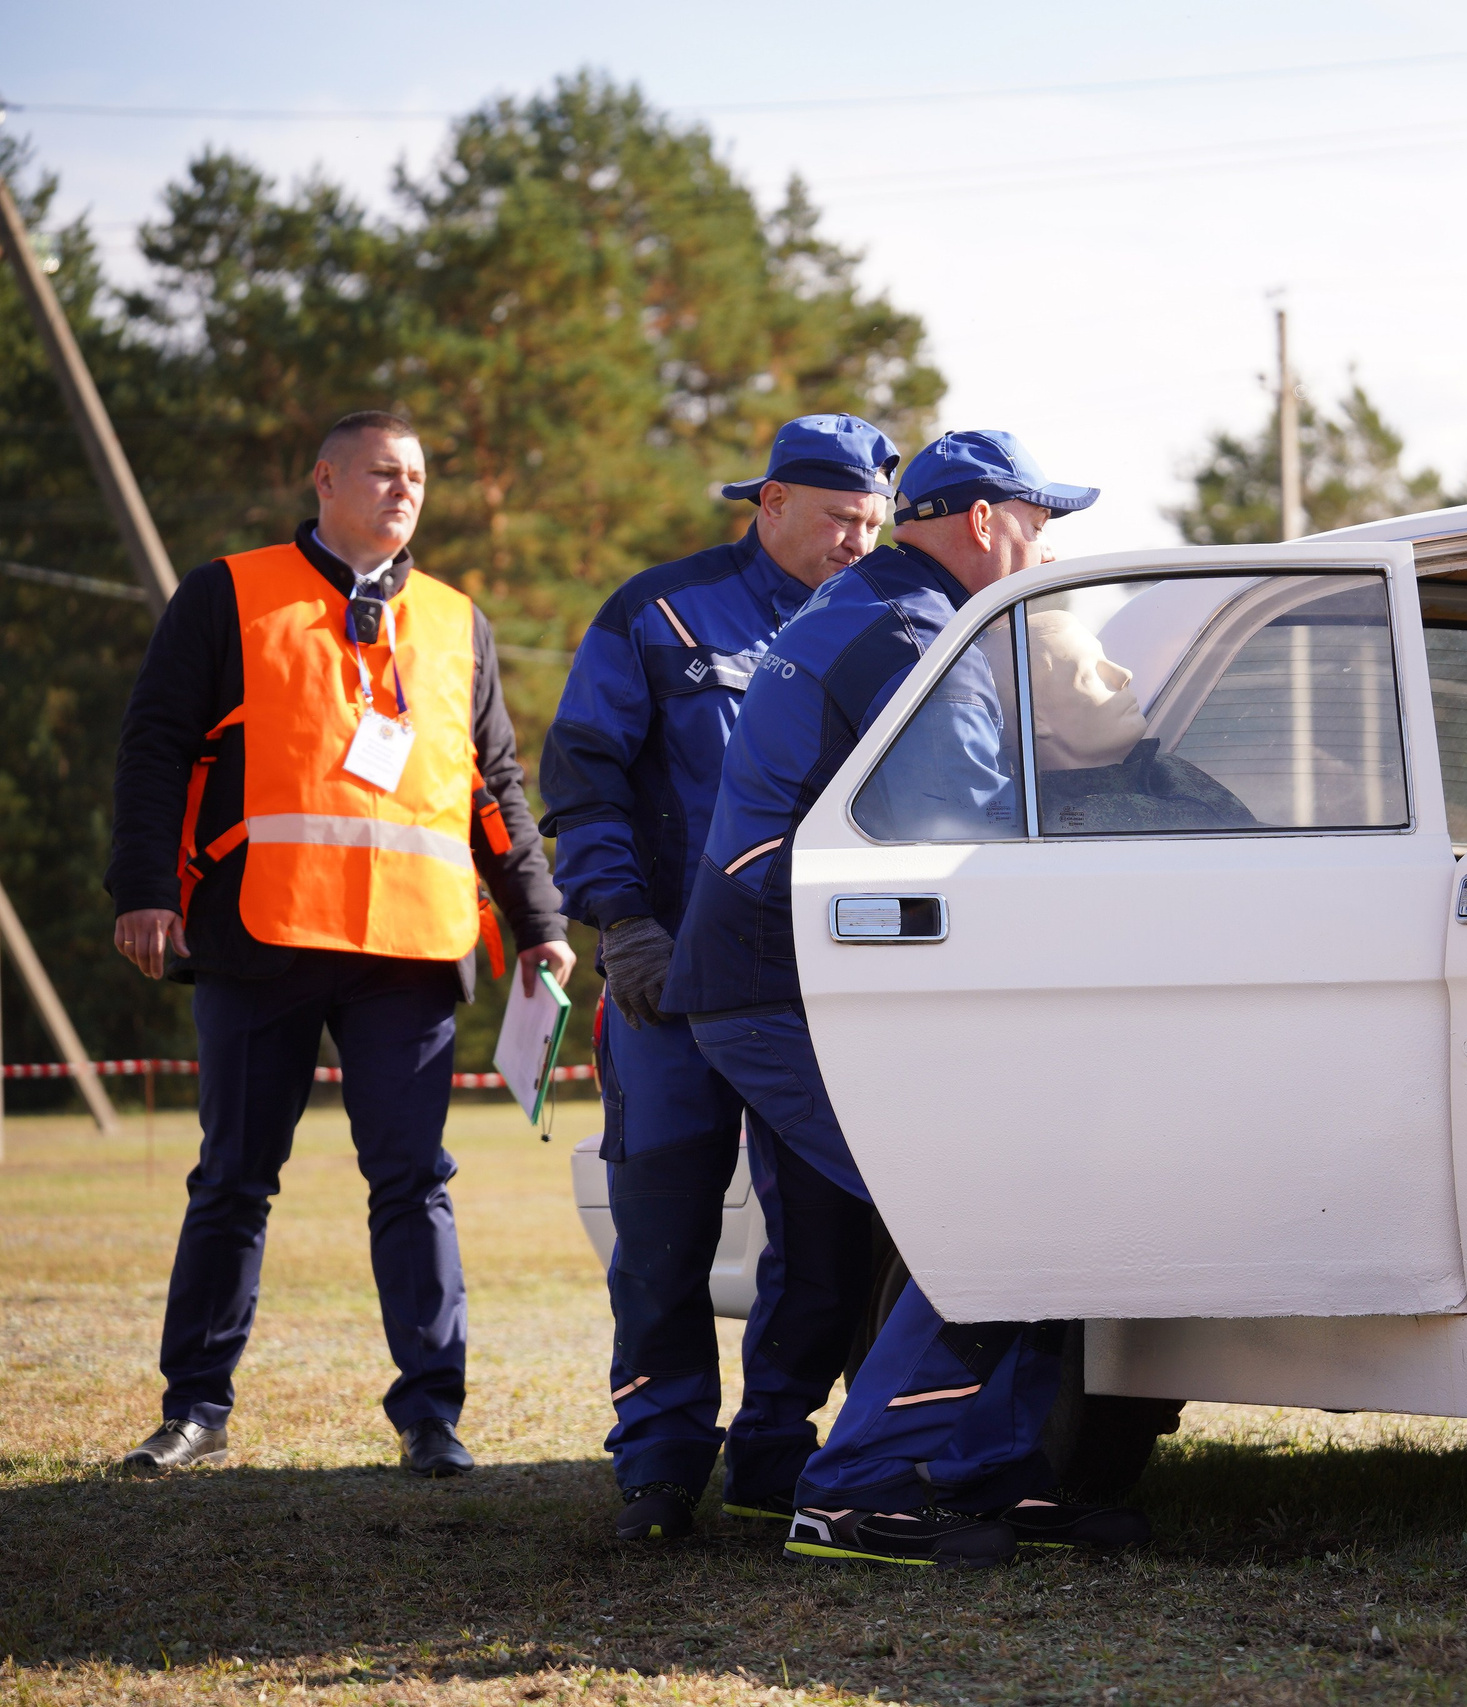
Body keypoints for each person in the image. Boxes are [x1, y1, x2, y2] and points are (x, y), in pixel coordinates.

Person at [661, 429, 1148, 1567]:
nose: (1045, 551)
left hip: (783, 976)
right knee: (986, 1211)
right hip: (784, 986)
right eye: (1038, 527)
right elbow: (968, 838)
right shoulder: (910, 634)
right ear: (984, 521)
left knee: (1009, 1205)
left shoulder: (885, 608)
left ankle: (993, 1476)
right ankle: (855, 1491)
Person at [106, 410, 574, 1478]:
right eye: (380, 471)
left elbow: (493, 790)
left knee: (414, 1181)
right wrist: (142, 889)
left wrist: (539, 922)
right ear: (323, 479)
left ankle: (430, 1417)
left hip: (409, 951)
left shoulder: (460, 622)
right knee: (233, 1177)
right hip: (258, 932)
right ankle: (196, 1408)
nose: (403, 490)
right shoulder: (227, 591)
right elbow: (155, 749)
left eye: (416, 475)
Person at [539, 415, 902, 1542]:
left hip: (815, 990)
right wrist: (623, 923)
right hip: (668, 990)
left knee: (831, 1233)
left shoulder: (896, 625)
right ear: (772, 502)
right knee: (662, 1235)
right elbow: (584, 780)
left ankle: (774, 1455)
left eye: (872, 520)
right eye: (837, 517)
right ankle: (657, 1469)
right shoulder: (660, 612)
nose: (856, 541)